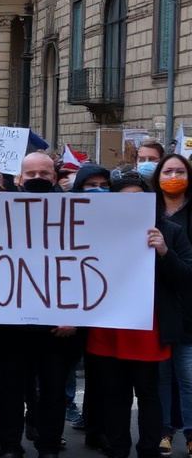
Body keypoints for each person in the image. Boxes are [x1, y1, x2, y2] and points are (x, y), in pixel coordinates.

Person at [83, 171, 192, 458]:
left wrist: (164, 252)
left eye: (138, 198)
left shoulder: (170, 231)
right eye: (124, 199)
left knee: (149, 394)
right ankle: (118, 449)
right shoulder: (98, 230)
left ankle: (148, 450)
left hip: (148, 328)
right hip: (108, 326)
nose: (132, 203)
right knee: (114, 394)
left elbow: (186, 277)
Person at [0, 152, 81, 458]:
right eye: (31, 174)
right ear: (19, 178)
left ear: (54, 177)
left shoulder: (75, 211)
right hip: (11, 323)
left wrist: (75, 315)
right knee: (10, 388)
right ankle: (10, 444)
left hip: (58, 325)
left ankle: (49, 445)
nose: (37, 178)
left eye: (44, 173)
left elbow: (83, 266)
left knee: (54, 389)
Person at [151, 153, 192, 456]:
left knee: (188, 377)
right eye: (168, 171)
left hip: (187, 307)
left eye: (180, 171)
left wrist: (167, 252)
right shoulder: (147, 211)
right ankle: (164, 430)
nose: (174, 177)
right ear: (158, 177)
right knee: (162, 377)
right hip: (156, 308)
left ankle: (190, 433)